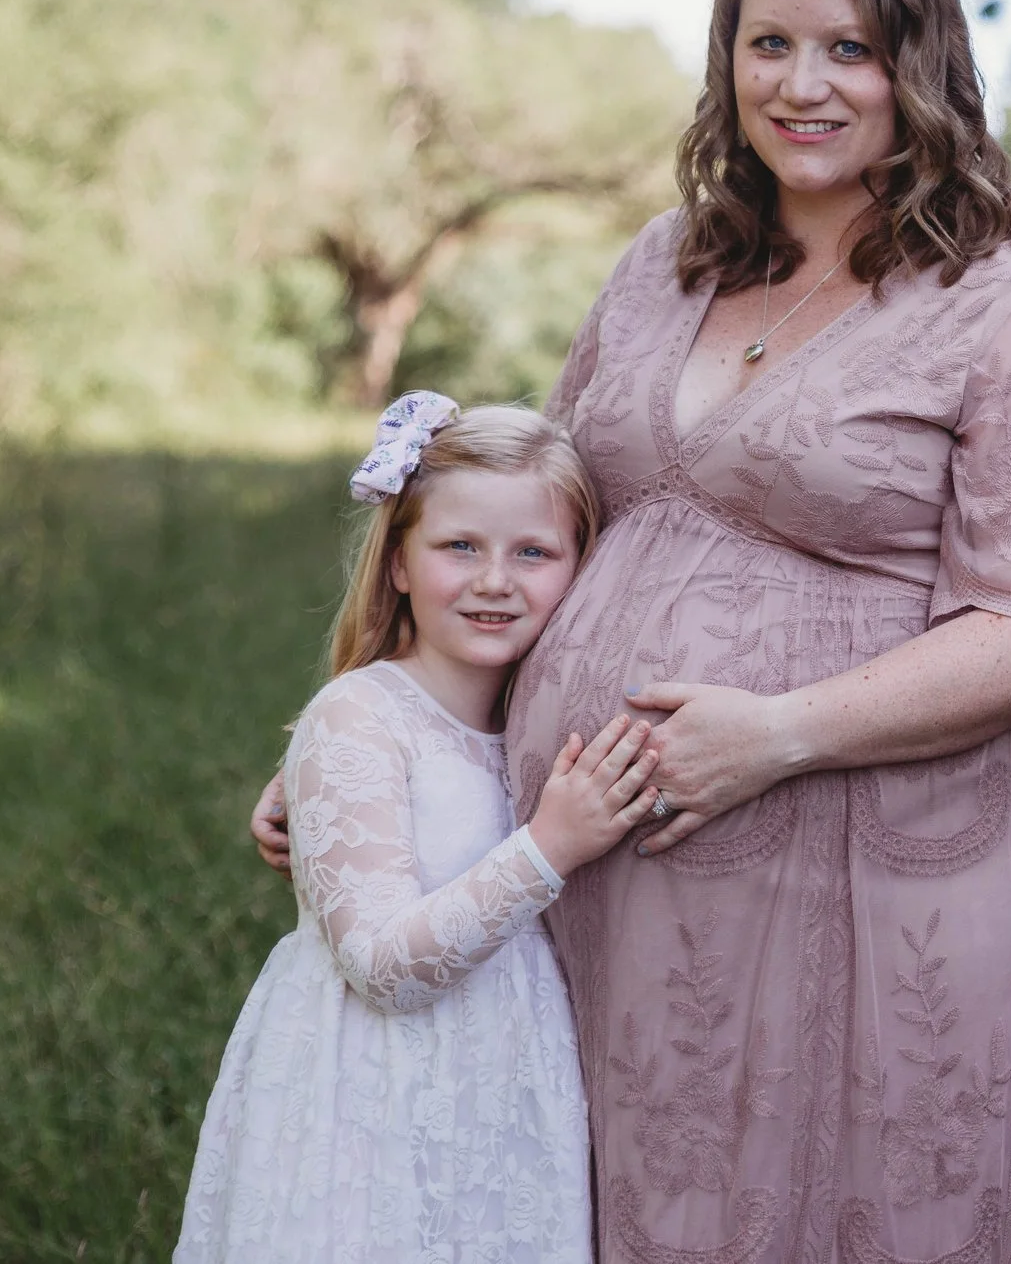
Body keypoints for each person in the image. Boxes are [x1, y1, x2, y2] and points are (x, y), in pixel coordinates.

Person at [256, 0, 1011, 1262]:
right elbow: (535, 534)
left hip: (871, 873)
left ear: (923, 66)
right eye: (768, 45)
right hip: (610, 869)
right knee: (620, 1196)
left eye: (851, 49)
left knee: (872, 1198)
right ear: (726, 60)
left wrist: (779, 732)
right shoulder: (663, 268)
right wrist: (377, 744)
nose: (805, 86)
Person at [184, 396, 664, 1263]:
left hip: (502, 1104)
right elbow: (383, 969)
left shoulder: (531, 723)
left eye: (533, 552)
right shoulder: (360, 716)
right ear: (399, 561)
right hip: (373, 1108)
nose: (494, 579)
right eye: (459, 547)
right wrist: (551, 844)